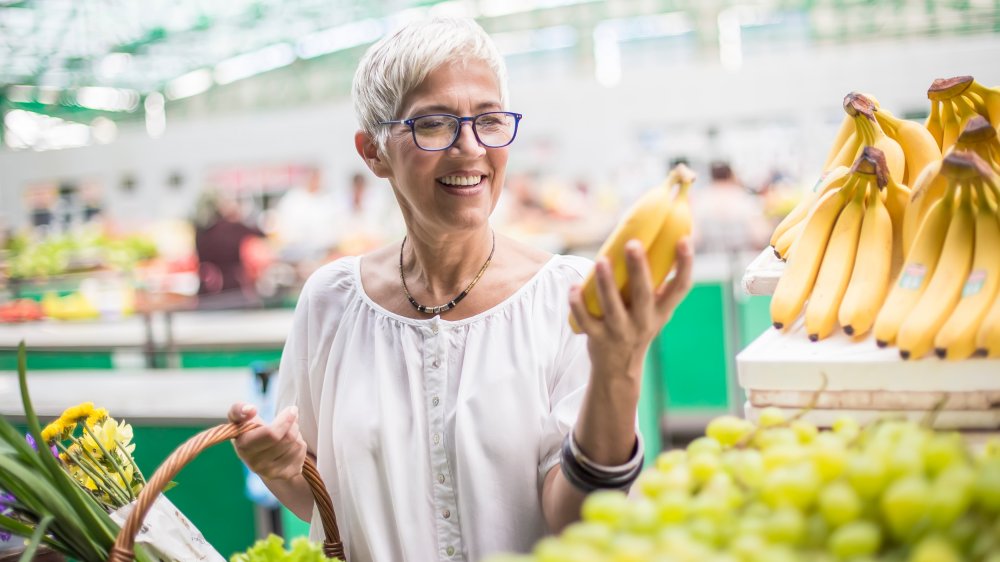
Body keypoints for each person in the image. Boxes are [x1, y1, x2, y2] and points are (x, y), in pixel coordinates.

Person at [227, 17, 693, 562]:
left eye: (490, 120)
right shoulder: (330, 302)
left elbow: (577, 519)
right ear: (373, 152)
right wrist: (284, 471)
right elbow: (328, 504)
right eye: (433, 124)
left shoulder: (567, 299)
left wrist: (619, 370)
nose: (470, 148)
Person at [193, 190, 266, 307]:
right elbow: (260, 233)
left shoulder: (199, 231)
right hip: (232, 290)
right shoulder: (232, 228)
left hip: (206, 290)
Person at [690, 160, 771, 254]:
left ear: (711, 176)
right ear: (730, 175)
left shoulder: (701, 200)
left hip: (708, 261)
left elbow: (694, 239)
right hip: (744, 260)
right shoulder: (744, 199)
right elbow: (761, 236)